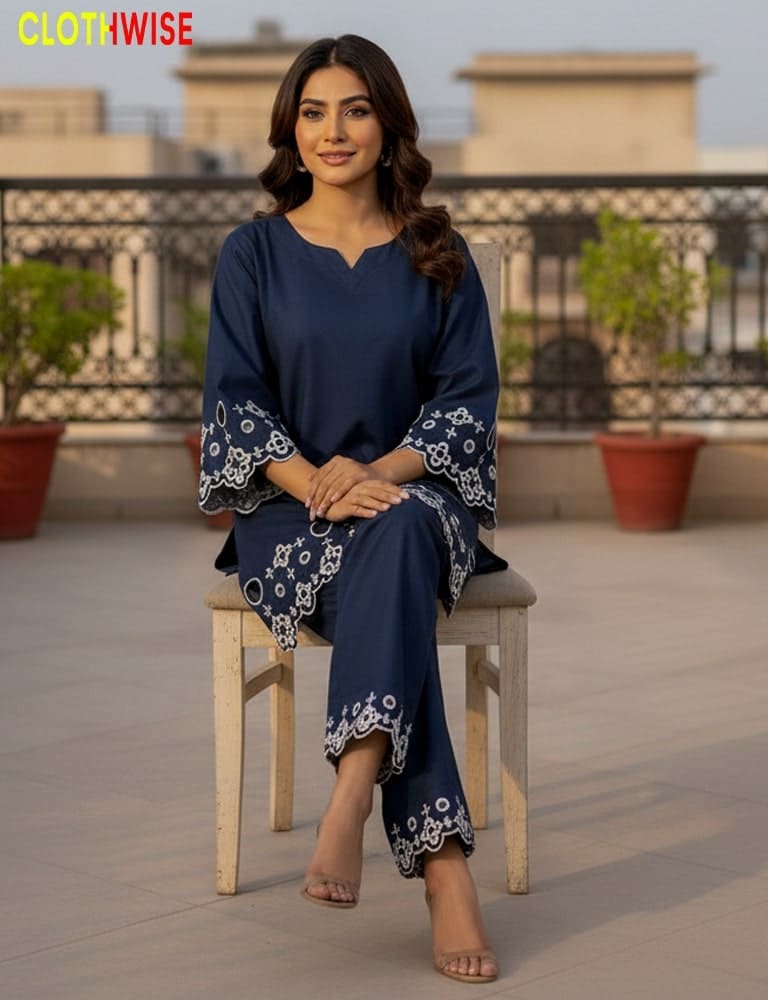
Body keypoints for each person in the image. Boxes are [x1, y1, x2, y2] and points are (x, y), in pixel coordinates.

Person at [199, 33, 508, 985]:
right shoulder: (251, 253)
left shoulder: (437, 251)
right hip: (293, 510)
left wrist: (378, 474)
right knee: (394, 552)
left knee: (404, 526)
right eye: (315, 111)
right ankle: (443, 870)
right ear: (292, 129)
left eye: (356, 109)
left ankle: (350, 793)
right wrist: (320, 482)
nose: (335, 131)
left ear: (388, 123)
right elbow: (235, 402)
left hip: (416, 498)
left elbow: (467, 401)